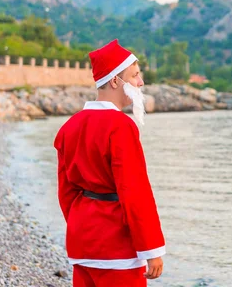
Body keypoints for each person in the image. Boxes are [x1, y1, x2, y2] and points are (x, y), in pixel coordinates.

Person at [54, 39, 165, 286]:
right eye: (135, 75)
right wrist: (152, 249)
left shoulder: (69, 127)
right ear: (115, 81)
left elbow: (66, 192)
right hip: (117, 247)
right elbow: (135, 192)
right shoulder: (122, 127)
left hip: (82, 243)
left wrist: (80, 226)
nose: (140, 83)